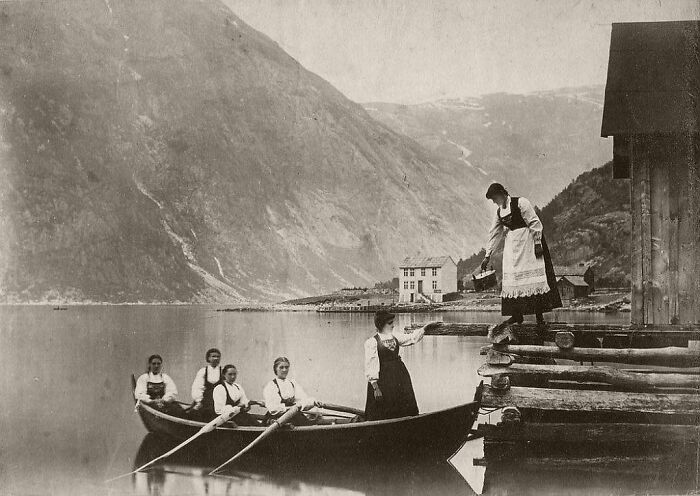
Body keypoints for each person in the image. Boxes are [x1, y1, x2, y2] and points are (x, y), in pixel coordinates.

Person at [481, 183, 562, 332]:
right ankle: (517, 315)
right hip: (512, 246)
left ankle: (540, 318)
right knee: (514, 281)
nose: (493, 202)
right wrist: (487, 256)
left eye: (494, 198)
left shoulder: (521, 203)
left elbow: (534, 222)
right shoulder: (499, 212)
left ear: (501, 193)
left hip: (528, 242)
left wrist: (538, 243)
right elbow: (494, 234)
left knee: (534, 280)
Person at [364, 310, 427, 421]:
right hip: (384, 379)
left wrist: (425, 329)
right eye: (390, 323)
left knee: (403, 403)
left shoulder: (395, 337)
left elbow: (411, 338)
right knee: (385, 405)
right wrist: (375, 387)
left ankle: (406, 424)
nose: (393, 325)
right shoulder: (372, 342)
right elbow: (371, 364)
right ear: (381, 324)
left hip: (399, 376)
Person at [262, 357, 321, 426]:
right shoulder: (271, 386)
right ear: (275, 369)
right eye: (281, 367)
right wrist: (292, 408)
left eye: (286, 367)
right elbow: (274, 409)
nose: (284, 370)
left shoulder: (292, 383)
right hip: (278, 418)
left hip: (293, 415)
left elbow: (303, 399)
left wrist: (312, 402)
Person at [190, 348, 222, 419]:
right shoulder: (203, 371)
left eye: (218, 356)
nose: (216, 358)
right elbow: (197, 387)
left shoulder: (222, 371)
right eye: (213, 356)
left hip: (219, 399)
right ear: (208, 358)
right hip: (205, 400)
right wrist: (199, 401)